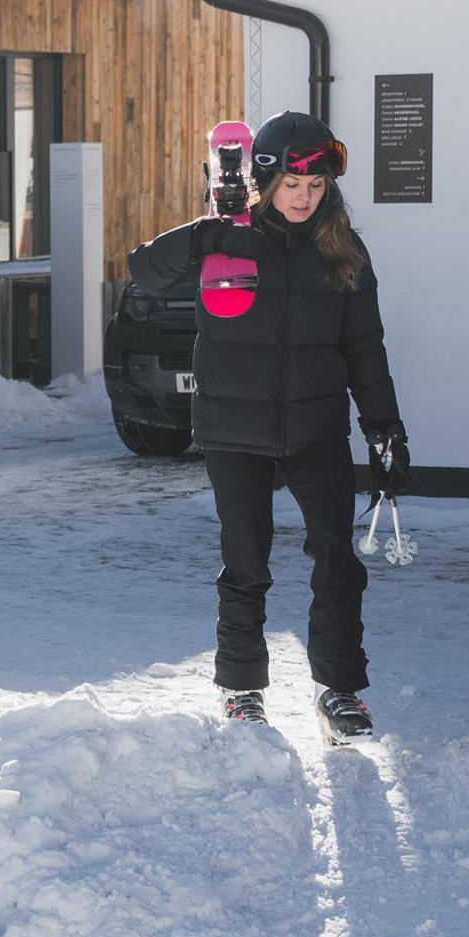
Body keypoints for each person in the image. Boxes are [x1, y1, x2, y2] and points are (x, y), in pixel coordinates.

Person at [124, 110, 406, 736]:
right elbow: (144, 270)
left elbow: (365, 347)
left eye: (316, 185)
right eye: (292, 185)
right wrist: (203, 234)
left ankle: (339, 691)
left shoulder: (343, 251)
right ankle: (241, 688)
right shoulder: (229, 237)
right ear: (267, 182)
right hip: (233, 430)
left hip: (318, 427)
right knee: (245, 563)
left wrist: (384, 428)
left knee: (336, 561)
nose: (304, 198)